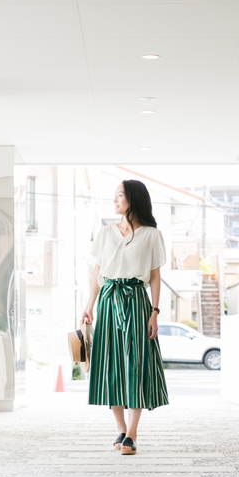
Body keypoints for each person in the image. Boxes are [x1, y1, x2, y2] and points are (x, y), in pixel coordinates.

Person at [81, 180, 169, 455]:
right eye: (115, 194)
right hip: (108, 301)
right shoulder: (106, 232)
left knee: (136, 365)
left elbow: (155, 277)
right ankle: (120, 428)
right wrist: (88, 305)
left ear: (133, 198)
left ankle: (132, 432)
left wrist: (154, 312)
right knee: (110, 365)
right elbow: (97, 273)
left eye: (120, 195)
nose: (115, 199)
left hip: (136, 303)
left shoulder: (152, 235)